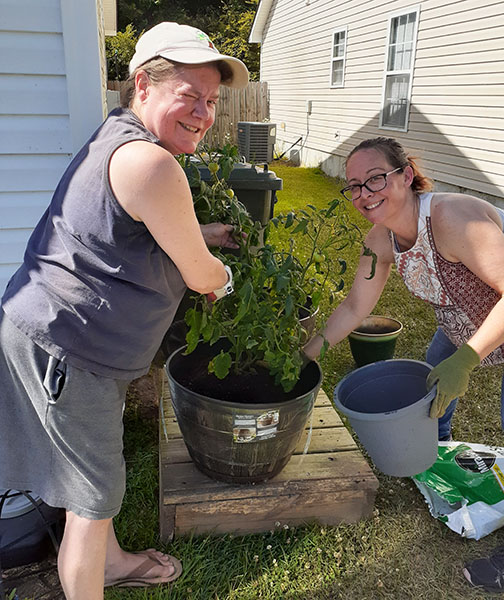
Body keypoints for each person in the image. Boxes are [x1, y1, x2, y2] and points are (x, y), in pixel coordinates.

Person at [0, 22, 248, 599]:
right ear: (143, 83)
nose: (205, 113)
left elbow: (126, 225)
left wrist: (200, 229)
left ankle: (110, 565)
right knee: (91, 499)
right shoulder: (153, 165)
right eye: (190, 96)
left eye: (212, 101)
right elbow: (200, 276)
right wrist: (222, 276)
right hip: (70, 347)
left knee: (92, 476)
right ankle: (92, 576)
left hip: (59, 335)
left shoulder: (118, 136)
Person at [304, 136, 504, 442]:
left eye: (375, 179)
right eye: (355, 186)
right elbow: (355, 307)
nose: (364, 194)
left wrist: (465, 359)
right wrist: (306, 355)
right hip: (459, 321)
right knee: (433, 384)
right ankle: (437, 448)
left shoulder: (452, 218)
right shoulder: (379, 241)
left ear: (406, 175)